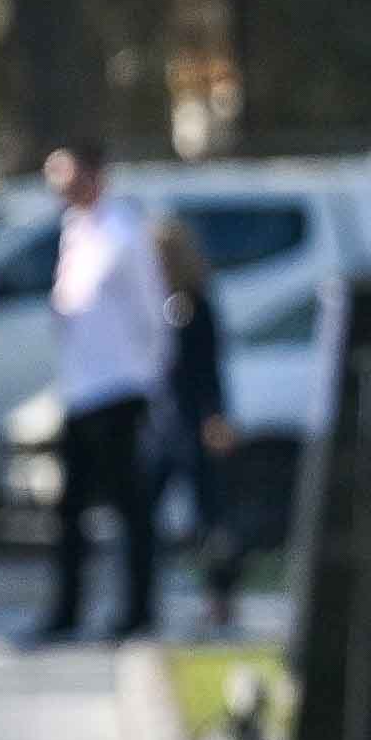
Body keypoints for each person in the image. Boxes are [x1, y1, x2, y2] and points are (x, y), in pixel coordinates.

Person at [34, 138, 171, 646]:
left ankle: (138, 610)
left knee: (129, 507)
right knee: (70, 510)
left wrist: (148, 378)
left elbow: (151, 312)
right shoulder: (74, 231)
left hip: (120, 387)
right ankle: (66, 611)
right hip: (79, 389)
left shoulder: (123, 231)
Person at [150, 207, 242, 627]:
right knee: (143, 506)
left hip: (195, 418)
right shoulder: (154, 304)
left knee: (211, 515)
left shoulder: (197, 304)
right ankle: (143, 595)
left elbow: (210, 368)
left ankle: (220, 598)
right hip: (162, 420)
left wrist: (216, 416)